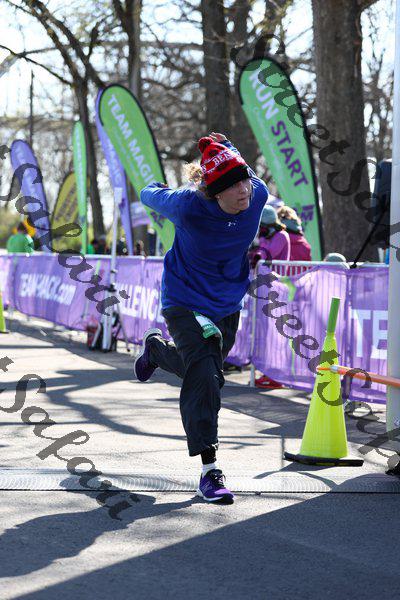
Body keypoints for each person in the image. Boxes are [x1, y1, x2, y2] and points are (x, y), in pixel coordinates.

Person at [134, 132, 269, 504]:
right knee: (206, 377)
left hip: (227, 303)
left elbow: (241, 169)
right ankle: (210, 470)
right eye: (233, 185)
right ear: (215, 194)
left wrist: (226, 148)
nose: (243, 190)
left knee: (204, 370)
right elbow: (148, 194)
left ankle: (157, 352)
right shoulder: (188, 205)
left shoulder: (257, 194)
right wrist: (154, 187)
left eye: (245, 180)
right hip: (184, 300)